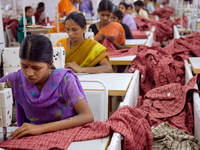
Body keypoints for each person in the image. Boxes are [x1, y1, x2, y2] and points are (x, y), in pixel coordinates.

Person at [0, 34, 94, 139]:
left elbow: (87, 116)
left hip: (67, 134)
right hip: (33, 137)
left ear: (50, 64)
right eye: (24, 66)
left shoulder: (65, 80)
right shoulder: (16, 79)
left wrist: (41, 128)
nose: (29, 73)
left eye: (36, 68)